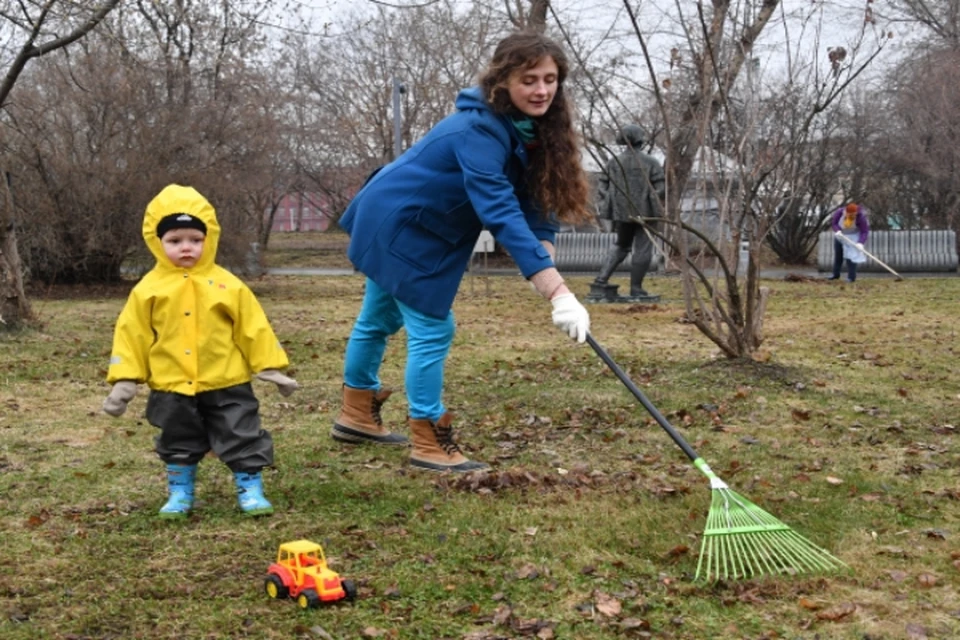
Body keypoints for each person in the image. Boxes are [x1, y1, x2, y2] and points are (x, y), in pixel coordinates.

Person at [332, 31, 593, 473]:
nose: (542, 90)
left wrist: (542, 258)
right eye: (529, 79)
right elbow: (500, 208)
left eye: (550, 79)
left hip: (412, 220)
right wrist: (558, 292)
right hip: (404, 225)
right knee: (433, 329)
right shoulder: (479, 129)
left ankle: (356, 414)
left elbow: (536, 202)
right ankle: (428, 437)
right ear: (503, 79)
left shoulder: (532, 128)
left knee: (378, 316)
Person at [102, 184, 298, 518]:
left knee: (242, 432)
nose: (186, 248)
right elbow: (132, 335)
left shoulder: (228, 284)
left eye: (195, 239)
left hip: (227, 380)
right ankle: (180, 492)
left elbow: (253, 327)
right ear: (157, 241)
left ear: (209, 239)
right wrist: (125, 380)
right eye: (175, 241)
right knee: (178, 438)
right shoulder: (148, 289)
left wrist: (270, 367)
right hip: (171, 383)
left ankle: (250, 487)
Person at [593, 124, 665, 298]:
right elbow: (661, 187)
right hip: (645, 214)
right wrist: (649, 200)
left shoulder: (614, 162)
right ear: (640, 139)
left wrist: (614, 200)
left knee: (621, 245)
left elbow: (602, 185)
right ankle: (636, 288)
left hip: (621, 213)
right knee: (643, 248)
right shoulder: (651, 162)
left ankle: (601, 281)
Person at [829, 202, 869, 282]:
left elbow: (864, 231)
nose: (851, 216)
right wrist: (837, 230)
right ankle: (835, 275)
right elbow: (834, 223)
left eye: (853, 214)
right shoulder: (840, 212)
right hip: (840, 235)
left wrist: (860, 242)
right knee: (838, 256)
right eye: (849, 214)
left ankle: (851, 277)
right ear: (846, 211)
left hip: (853, 237)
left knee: (851, 257)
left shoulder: (861, 217)